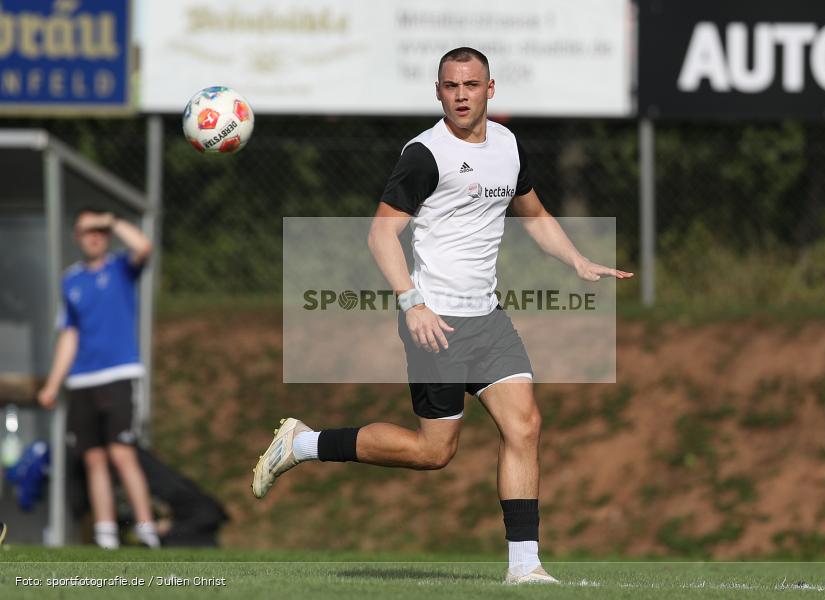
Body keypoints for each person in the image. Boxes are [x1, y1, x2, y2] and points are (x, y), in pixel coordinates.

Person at [252, 47, 633, 583]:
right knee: (434, 453)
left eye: (471, 85)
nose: (460, 95)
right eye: (451, 86)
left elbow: (534, 212)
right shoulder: (424, 154)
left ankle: (524, 568)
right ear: (437, 92)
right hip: (437, 322)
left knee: (524, 425)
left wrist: (577, 260)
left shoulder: (507, 145)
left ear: (490, 89)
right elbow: (381, 235)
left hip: (489, 319)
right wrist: (413, 304)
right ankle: (305, 443)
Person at [38, 208, 159, 549]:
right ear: (77, 238)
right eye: (86, 231)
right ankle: (105, 534)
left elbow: (144, 247)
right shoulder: (71, 280)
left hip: (119, 374)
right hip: (81, 380)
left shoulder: (121, 268)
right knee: (92, 458)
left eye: (99, 231)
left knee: (122, 453)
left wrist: (112, 221)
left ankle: (146, 529)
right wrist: (52, 383)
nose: (94, 236)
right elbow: (69, 335)